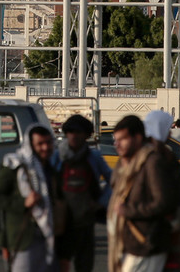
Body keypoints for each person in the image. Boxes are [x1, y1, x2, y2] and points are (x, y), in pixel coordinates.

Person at [108, 115, 178, 272]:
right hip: (131, 243)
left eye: (123, 139)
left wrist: (128, 211)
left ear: (138, 137)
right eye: (116, 140)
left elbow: (163, 202)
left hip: (146, 243)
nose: (117, 145)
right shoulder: (129, 162)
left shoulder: (152, 162)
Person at [0, 125, 61, 272]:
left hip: (50, 236)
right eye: (40, 144)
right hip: (23, 238)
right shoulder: (15, 166)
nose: (45, 147)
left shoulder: (52, 169)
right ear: (31, 145)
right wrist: (24, 203)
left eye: (48, 142)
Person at [54, 115, 112, 272]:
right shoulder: (57, 156)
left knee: (85, 264)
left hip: (85, 219)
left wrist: (101, 202)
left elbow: (113, 180)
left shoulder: (94, 157)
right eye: (70, 132)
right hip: (61, 220)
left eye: (78, 132)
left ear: (86, 135)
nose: (74, 136)